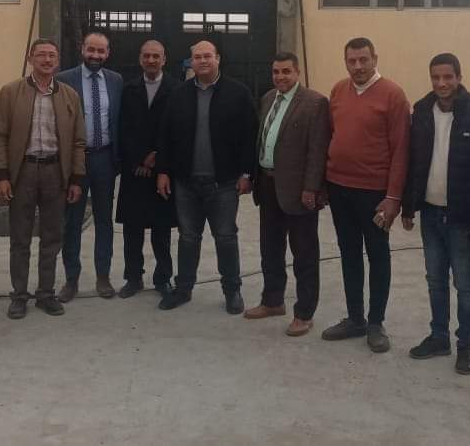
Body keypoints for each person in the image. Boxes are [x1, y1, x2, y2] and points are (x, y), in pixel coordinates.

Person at [401, 52, 470, 374]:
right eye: (436, 77)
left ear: (458, 77)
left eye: (447, 77)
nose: (441, 83)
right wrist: (409, 206)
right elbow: (415, 162)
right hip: (430, 213)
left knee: (465, 285)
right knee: (435, 280)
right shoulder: (421, 111)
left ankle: (465, 345)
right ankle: (439, 337)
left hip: (462, 218)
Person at [321, 37, 410, 353]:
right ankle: (355, 318)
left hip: (375, 194)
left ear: (375, 58)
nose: (358, 66)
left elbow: (401, 150)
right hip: (339, 188)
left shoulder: (393, 95)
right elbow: (331, 136)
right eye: (352, 61)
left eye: (363, 60)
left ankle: (375, 323)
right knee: (348, 253)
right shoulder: (338, 91)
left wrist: (393, 197)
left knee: (378, 255)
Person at [155, 40, 257, 314]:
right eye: (197, 57)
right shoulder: (179, 94)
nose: (202, 61)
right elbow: (166, 135)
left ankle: (232, 291)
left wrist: (247, 173)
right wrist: (163, 171)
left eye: (207, 56)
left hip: (223, 183)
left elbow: (250, 137)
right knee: (188, 237)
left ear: (218, 59)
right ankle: (183, 289)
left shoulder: (238, 93)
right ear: (191, 62)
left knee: (225, 237)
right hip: (186, 183)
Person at [0, 38, 86, 319]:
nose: (47, 60)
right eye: (41, 55)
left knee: (52, 236)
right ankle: (19, 295)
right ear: (30, 59)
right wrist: (1, 175)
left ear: (58, 61)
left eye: (52, 55)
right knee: (20, 237)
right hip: (23, 172)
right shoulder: (11, 92)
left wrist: (76, 178)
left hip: (56, 172)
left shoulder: (69, 95)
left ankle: (45, 293)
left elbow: (78, 141)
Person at [244, 52, 330, 337]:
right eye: (276, 72)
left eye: (286, 71)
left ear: (297, 72)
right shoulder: (268, 98)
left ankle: (304, 314)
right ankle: (272, 301)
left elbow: (317, 150)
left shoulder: (315, 103)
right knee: (270, 247)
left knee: (304, 253)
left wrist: (311, 188)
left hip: (299, 190)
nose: (280, 77)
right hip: (268, 185)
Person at [56, 32, 123, 301]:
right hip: (76, 159)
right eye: (91, 50)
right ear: (82, 49)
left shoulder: (115, 80)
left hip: (105, 158)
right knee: (72, 221)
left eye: (101, 51)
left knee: (104, 220)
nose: (95, 55)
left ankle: (103, 277)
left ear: (108, 53)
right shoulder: (64, 79)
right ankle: (71, 279)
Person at [115, 40, 180, 298]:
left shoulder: (177, 89)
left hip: (162, 173)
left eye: (156, 56)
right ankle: (133, 278)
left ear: (164, 59)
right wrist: (139, 160)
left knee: (161, 231)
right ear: (140, 59)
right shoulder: (128, 89)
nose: (151, 60)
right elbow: (123, 128)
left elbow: (177, 130)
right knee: (132, 230)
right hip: (134, 171)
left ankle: (163, 278)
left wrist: (158, 158)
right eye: (147, 56)